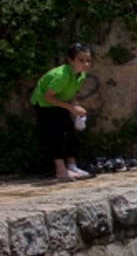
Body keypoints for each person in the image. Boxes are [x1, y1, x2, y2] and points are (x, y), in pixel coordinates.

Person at [30, 43, 93, 181]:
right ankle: (61, 170)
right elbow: (47, 96)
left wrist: (76, 107)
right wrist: (70, 108)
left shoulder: (80, 75)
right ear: (71, 61)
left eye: (88, 60)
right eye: (81, 60)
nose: (86, 64)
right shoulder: (62, 76)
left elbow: (71, 92)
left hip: (60, 102)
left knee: (69, 131)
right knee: (56, 134)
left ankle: (72, 166)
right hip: (45, 104)